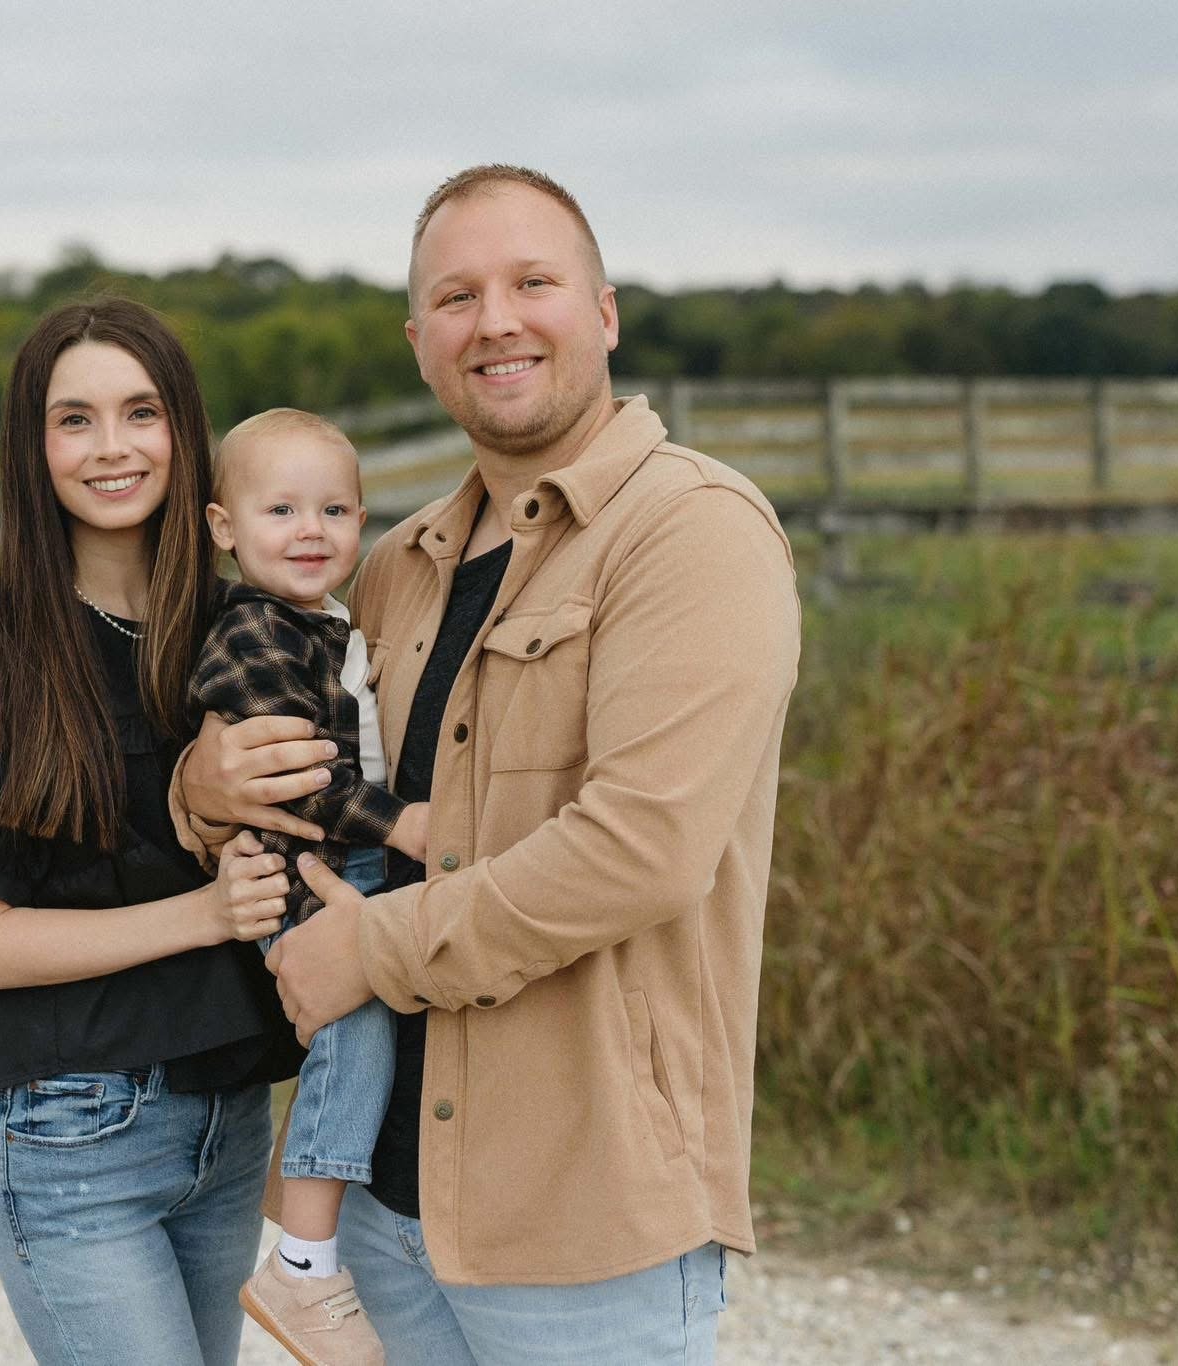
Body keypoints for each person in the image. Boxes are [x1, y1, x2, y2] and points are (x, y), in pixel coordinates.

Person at [176, 165, 802, 1364]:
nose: (496, 320)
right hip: (381, 1211)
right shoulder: (396, 564)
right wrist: (202, 790)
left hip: (579, 1221)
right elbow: (296, 764)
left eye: (532, 282)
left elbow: (639, 850)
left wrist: (374, 947)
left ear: (604, 312)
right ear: (419, 344)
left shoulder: (691, 533)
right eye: (456, 296)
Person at [0, 298, 304, 1366]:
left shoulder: (245, 632)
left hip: (228, 1126)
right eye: (73, 419)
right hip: (69, 1135)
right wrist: (205, 910)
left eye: (140, 411)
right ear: (32, 449)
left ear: (184, 428)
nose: (113, 447)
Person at [188, 408, 431, 1363]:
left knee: (359, 1043)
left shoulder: (324, 620)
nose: (310, 530)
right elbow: (298, 778)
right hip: (302, 869)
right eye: (280, 509)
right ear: (223, 528)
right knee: (357, 1029)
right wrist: (405, 820)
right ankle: (301, 1263)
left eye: (335, 510)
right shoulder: (253, 635)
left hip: (344, 865)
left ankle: (316, 1222)